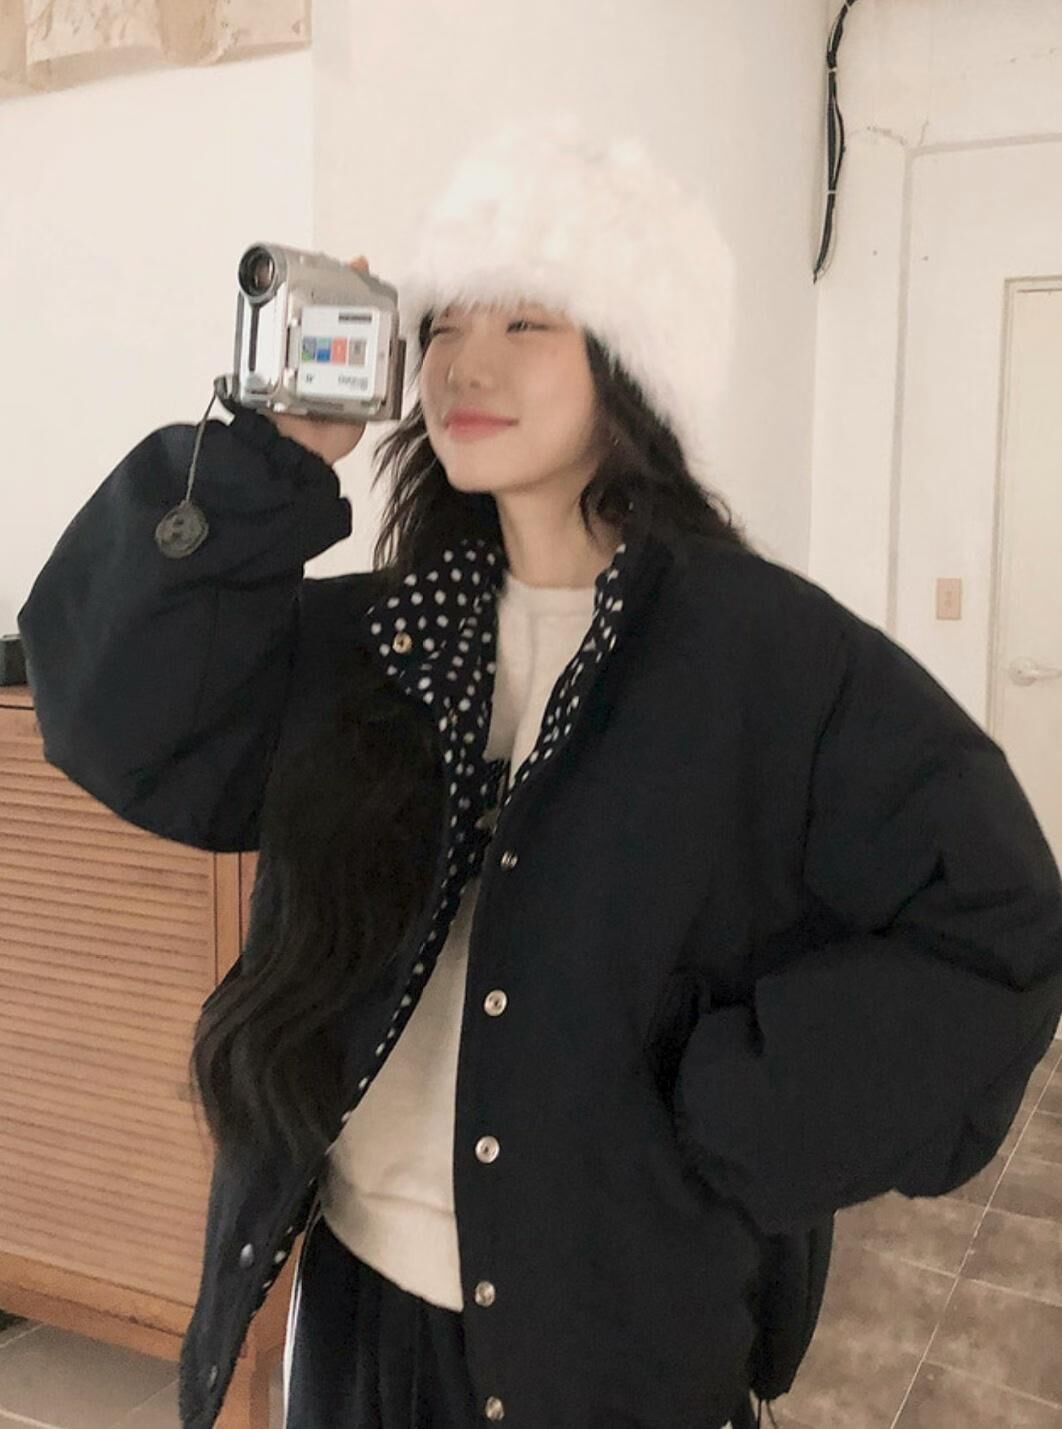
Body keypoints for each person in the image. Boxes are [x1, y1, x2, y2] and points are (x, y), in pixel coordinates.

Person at [16, 117, 1062, 1429]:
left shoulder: (766, 659)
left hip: (616, 1335)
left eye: (527, 323)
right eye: (444, 326)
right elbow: (113, 716)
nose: (466, 362)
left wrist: (730, 1107)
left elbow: (998, 926)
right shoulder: (384, 639)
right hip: (357, 1323)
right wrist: (267, 457)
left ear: (632, 362)